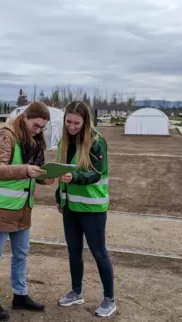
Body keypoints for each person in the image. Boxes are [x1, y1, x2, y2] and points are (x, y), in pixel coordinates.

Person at [0, 101, 55, 321]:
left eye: (42, 127)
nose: (38, 130)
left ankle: (20, 295)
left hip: (22, 209)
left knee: (21, 255)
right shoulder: (6, 136)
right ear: (24, 117)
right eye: (36, 125)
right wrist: (26, 170)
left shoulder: (33, 140)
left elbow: (34, 172)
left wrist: (46, 177)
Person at [55, 101, 116, 317]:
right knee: (74, 252)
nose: (72, 126)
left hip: (92, 209)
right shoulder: (65, 140)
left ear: (85, 121)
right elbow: (62, 172)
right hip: (70, 207)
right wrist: (59, 197)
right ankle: (77, 292)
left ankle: (110, 298)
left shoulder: (97, 142)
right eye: (68, 121)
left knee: (99, 253)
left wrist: (75, 177)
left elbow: (96, 173)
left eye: (76, 123)